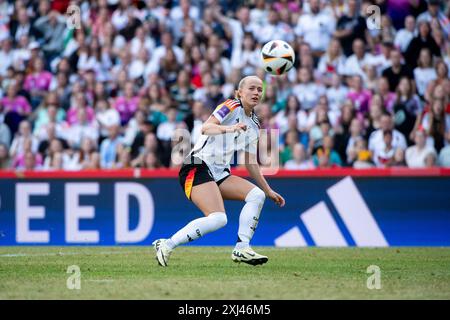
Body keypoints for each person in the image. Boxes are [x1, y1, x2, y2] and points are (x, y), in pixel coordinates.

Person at [152, 76, 285, 267]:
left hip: (220, 172)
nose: (256, 93)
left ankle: (242, 248)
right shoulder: (231, 105)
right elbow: (205, 128)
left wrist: (268, 190)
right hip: (196, 164)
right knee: (219, 218)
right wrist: (231, 128)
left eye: (259, 89)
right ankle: (166, 244)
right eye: (252, 88)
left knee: (256, 195)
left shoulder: (254, 124)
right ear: (239, 93)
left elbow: (250, 161)